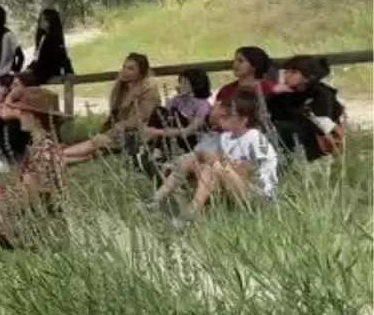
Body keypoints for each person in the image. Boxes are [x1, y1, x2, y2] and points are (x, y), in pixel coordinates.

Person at [0, 86, 66, 249]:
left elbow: (29, 194)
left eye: (23, 112)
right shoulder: (46, 146)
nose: (20, 115)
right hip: (45, 219)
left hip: (40, 225)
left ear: (34, 118)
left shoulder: (42, 150)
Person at [141, 92, 278, 215]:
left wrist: (221, 160)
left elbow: (252, 172)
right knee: (192, 160)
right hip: (230, 186)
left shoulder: (254, 137)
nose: (224, 117)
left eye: (230, 115)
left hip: (257, 192)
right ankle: (155, 200)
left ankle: (192, 213)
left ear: (243, 120)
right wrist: (199, 156)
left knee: (215, 166)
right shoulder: (226, 137)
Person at [63, 53, 160, 164]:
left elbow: (142, 118)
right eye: (124, 67)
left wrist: (121, 125)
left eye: (131, 69)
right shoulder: (122, 88)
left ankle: (58, 154)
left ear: (141, 73)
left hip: (137, 134)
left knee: (97, 141)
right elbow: (115, 114)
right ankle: (61, 159)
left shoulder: (149, 91)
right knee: (99, 149)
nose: (125, 71)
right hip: (118, 131)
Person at [134, 68, 213, 181]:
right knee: (160, 111)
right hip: (173, 135)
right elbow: (162, 116)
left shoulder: (202, 105)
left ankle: (152, 153)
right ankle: (151, 152)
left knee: (174, 118)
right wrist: (172, 99)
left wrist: (157, 132)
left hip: (191, 139)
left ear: (196, 85)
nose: (181, 85)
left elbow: (189, 131)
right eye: (180, 82)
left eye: (185, 83)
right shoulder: (179, 99)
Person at [266, 55, 346, 162]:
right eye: (286, 71)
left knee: (277, 129)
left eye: (293, 72)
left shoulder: (321, 93)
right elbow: (267, 113)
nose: (287, 75)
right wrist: (272, 93)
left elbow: (322, 125)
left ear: (308, 77)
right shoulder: (284, 92)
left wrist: (300, 112)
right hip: (288, 137)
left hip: (315, 140)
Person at [26, 8, 75, 85]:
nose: (40, 21)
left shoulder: (54, 40)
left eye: (43, 19)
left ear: (49, 22)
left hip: (45, 73)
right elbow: (37, 59)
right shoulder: (43, 37)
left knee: (13, 80)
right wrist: (29, 68)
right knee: (11, 79)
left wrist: (69, 71)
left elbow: (62, 56)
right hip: (39, 72)